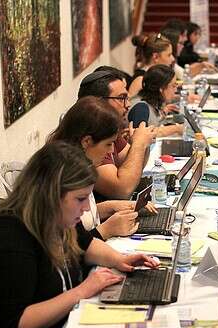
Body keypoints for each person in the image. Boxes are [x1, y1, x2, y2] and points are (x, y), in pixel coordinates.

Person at [0, 142, 159, 328]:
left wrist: (120, 259)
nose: (86, 209)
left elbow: (86, 244)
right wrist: (82, 291)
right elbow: (15, 325)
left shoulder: (55, 219)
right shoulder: (9, 240)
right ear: (51, 194)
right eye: (80, 199)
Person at [49, 96, 157, 239]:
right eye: (108, 144)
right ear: (86, 141)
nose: (112, 151)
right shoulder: (61, 177)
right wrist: (106, 230)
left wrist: (111, 207)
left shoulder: (81, 167)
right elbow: (67, 246)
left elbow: (83, 217)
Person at [78, 69, 157, 201]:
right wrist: (138, 144)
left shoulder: (109, 126)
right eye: (121, 98)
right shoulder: (89, 136)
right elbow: (122, 190)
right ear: (99, 102)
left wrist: (143, 140)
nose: (128, 104)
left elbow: (136, 167)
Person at [127, 64, 185, 136]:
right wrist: (176, 128)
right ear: (161, 89)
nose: (175, 90)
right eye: (173, 86)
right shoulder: (141, 108)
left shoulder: (150, 102)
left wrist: (162, 113)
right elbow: (140, 137)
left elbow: (152, 122)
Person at [129, 33, 176, 98]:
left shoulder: (158, 75)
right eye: (169, 55)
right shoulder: (140, 80)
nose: (173, 59)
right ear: (156, 57)